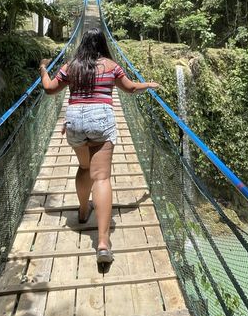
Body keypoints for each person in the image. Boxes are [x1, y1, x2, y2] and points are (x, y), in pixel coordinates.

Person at [39, 28, 159, 264]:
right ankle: (103, 243)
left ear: (82, 43)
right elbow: (131, 88)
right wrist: (148, 84)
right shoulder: (111, 66)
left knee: (85, 169)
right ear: (103, 43)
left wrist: (43, 69)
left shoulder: (71, 66)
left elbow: (49, 89)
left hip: (74, 121)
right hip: (100, 121)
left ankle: (83, 210)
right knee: (101, 178)